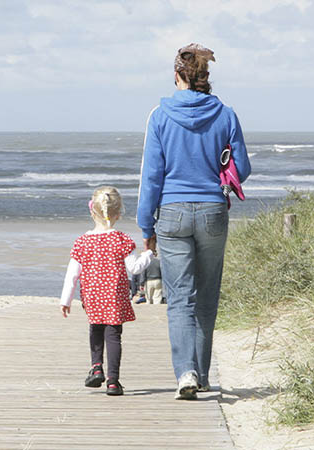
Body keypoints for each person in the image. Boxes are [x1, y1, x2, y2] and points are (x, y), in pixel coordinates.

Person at [137, 43, 251, 399]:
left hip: (171, 213)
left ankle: (185, 373)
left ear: (177, 76)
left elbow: (151, 176)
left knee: (180, 297)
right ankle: (200, 374)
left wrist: (146, 226)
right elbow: (242, 169)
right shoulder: (226, 114)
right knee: (206, 296)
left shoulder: (159, 115)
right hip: (213, 210)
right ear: (206, 77)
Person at [60, 186, 153, 396]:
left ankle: (96, 367)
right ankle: (113, 381)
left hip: (92, 296)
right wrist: (149, 253)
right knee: (113, 336)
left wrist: (65, 299)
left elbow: (72, 273)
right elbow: (135, 268)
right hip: (115, 297)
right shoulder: (121, 239)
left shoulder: (82, 241)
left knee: (95, 329)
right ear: (119, 213)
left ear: (91, 210)